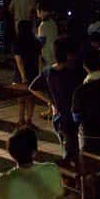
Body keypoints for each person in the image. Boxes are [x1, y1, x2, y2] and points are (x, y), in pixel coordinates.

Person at [29, 37, 85, 165]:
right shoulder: (74, 72)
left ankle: (70, 176)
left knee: (67, 148)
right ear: (68, 55)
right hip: (71, 118)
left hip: (59, 118)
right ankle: (71, 176)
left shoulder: (48, 71)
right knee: (73, 152)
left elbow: (32, 88)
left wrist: (50, 101)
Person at [11, 19, 41, 128]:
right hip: (33, 73)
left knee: (21, 99)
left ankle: (21, 120)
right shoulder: (36, 42)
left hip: (20, 75)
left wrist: (23, 76)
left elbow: (19, 60)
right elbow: (39, 59)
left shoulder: (16, 42)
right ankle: (29, 120)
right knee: (30, 98)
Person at [36, 2, 59, 68]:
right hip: (55, 53)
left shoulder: (42, 25)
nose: (37, 13)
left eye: (37, 11)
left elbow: (41, 43)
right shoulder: (53, 23)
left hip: (47, 55)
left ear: (42, 11)